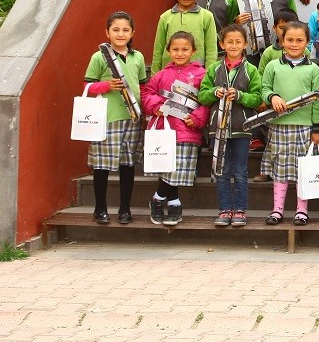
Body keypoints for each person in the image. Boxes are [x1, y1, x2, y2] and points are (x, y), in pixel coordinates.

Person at [83, 12, 146, 225]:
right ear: (107, 32)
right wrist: (107, 85)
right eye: (116, 30)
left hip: (132, 118)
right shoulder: (100, 57)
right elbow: (87, 86)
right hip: (108, 118)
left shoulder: (137, 57)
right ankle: (100, 208)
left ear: (132, 33)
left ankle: (124, 209)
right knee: (102, 165)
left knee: (127, 165)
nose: (120, 34)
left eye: (125, 30)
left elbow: (143, 86)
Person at [141, 31, 209, 227]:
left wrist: (197, 118)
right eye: (175, 49)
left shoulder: (201, 74)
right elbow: (147, 94)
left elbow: (206, 101)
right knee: (167, 168)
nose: (180, 53)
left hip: (187, 129)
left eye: (185, 49)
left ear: (194, 51)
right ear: (169, 51)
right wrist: (156, 106)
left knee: (178, 169)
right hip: (165, 129)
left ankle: (158, 197)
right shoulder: (161, 74)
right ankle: (173, 202)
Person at [198, 25, 263, 227]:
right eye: (229, 42)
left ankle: (240, 210)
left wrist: (241, 96)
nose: (234, 45)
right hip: (218, 129)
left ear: (245, 44)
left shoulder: (251, 70)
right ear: (221, 44)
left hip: (241, 128)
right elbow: (202, 95)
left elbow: (258, 99)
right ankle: (225, 209)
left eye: (238, 42)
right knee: (221, 170)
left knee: (240, 171)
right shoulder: (213, 69)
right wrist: (214, 92)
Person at [260, 21, 319, 226]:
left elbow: (317, 100)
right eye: (289, 40)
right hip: (279, 125)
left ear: (307, 42)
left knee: (301, 169)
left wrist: (317, 128)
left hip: (304, 127)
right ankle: (277, 210)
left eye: (299, 40)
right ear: (282, 40)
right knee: (280, 168)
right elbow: (265, 88)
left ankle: (301, 210)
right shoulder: (272, 66)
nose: (294, 44)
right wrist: (273, 97)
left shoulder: (313, 69)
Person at [152, 0, 218, 74]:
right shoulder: (165, 17)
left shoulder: (206, 16)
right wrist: (154, 76)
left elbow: (211, 50)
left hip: (196, 74)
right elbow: (158, 49)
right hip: (168, 72)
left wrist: (209, 76)